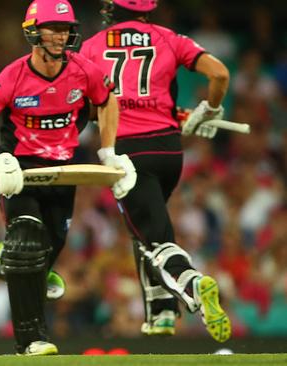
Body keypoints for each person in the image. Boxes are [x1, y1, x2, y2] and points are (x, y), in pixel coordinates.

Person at [0, 0, 136, 355]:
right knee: (27, 247)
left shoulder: (84, 70)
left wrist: (109, 151)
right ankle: (31, 341)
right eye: (54, 29)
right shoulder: (13, 75)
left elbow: (107, 101)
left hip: (63, 172)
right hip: (20, 173)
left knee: (38, 264)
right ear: (34, 32)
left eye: (65, 29)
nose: (62, 35)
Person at [80, 0, 231, 341]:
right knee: (146, 229)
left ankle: (191, 284)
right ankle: (161, 312)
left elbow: (91, 108)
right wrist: (209, 109)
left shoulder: (91, 46)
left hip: (127, 152)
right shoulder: (168, 37)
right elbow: (220, 73)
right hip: (169, 151)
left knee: (156, 237)